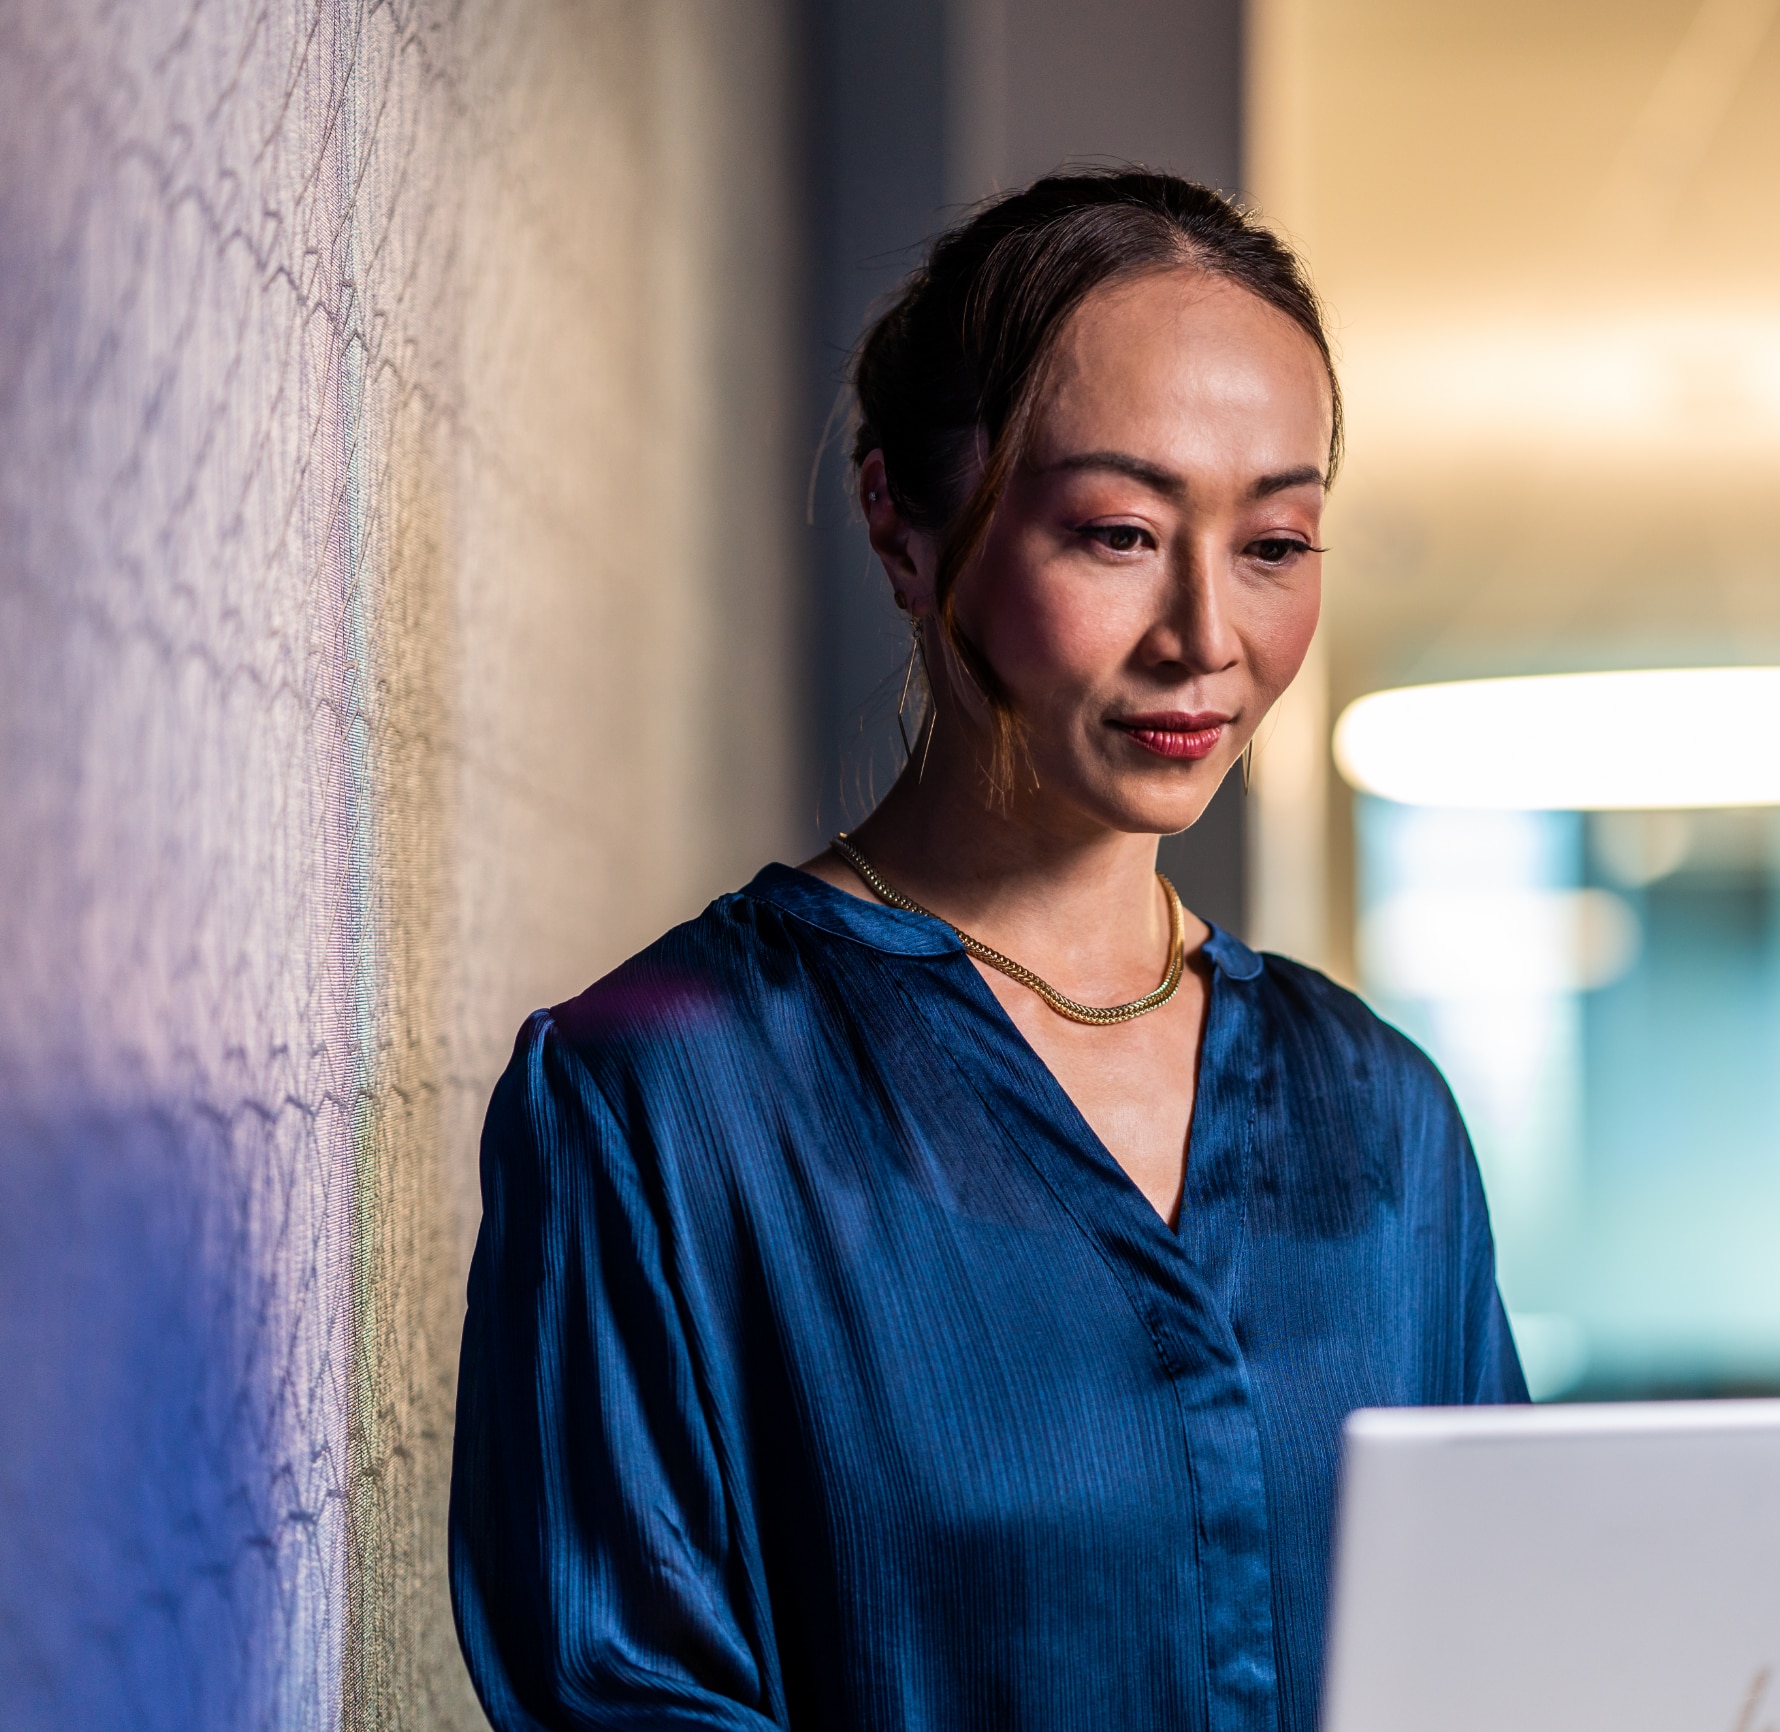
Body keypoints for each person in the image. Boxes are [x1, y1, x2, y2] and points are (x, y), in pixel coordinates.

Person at [449, 169, 1526, 1732]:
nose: (1204, 636)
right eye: (1116, 533)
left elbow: (1499, 1652)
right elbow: (619, 1694)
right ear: (900, 522)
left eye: (1275, 543)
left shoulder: (1381, 1117)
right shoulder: (662, 1095)